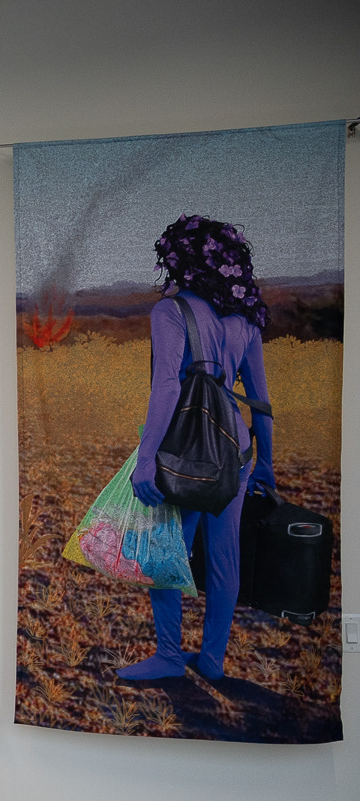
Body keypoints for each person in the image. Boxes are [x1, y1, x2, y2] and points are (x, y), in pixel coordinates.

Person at [118, 215, 274, 681]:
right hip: (236, 456)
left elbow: (167, 386)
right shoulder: (244, 320)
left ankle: (169, 656)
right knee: (225, 560)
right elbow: (261, 402)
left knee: (166, 554)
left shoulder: (170, 312)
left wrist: (147, 459)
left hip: (184, 457)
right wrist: (265, 463)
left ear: (179, 260)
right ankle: (212, 660)